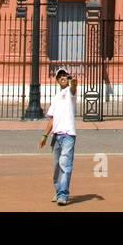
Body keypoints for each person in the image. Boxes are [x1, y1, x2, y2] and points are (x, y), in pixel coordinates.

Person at [39, 68, 77, 205]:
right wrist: (44, 135)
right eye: (60, 76)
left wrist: (73, 82)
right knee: (56, 166)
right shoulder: (55, 98)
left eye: (64, 76)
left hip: (68, 135)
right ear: (56, 80)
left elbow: (74, 87)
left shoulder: (70, 93)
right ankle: (58, 190)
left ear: (67, 79)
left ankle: (63, 194)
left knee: (65, 164)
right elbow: (52, 119)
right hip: (56, 136)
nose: (62, 78)